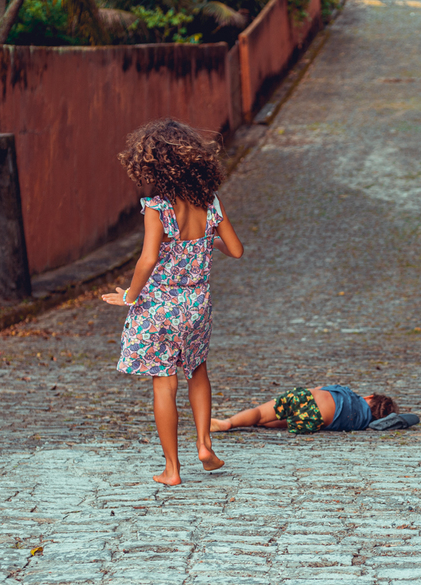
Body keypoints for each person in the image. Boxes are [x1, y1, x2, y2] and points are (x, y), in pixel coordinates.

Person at [101, 119, 243, 485]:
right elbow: (237, 250)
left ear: (151, 165)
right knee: (198, 372)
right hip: (197, 304)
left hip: (161, 307)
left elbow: (148, 259)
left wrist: (130, 296)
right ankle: (205, 445)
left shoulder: (156, 207)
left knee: (164, 383)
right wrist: (204, 242)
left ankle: (172, 470)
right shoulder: (210, 202)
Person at [212, 386, 397, 435]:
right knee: (268, 423)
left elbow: (324, 388)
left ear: (369, 398)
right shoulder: (361, 423)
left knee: (260, 413)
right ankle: (258, 422)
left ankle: (229, 423)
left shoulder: (351, 395)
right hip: (314, 420)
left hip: (308, 398)